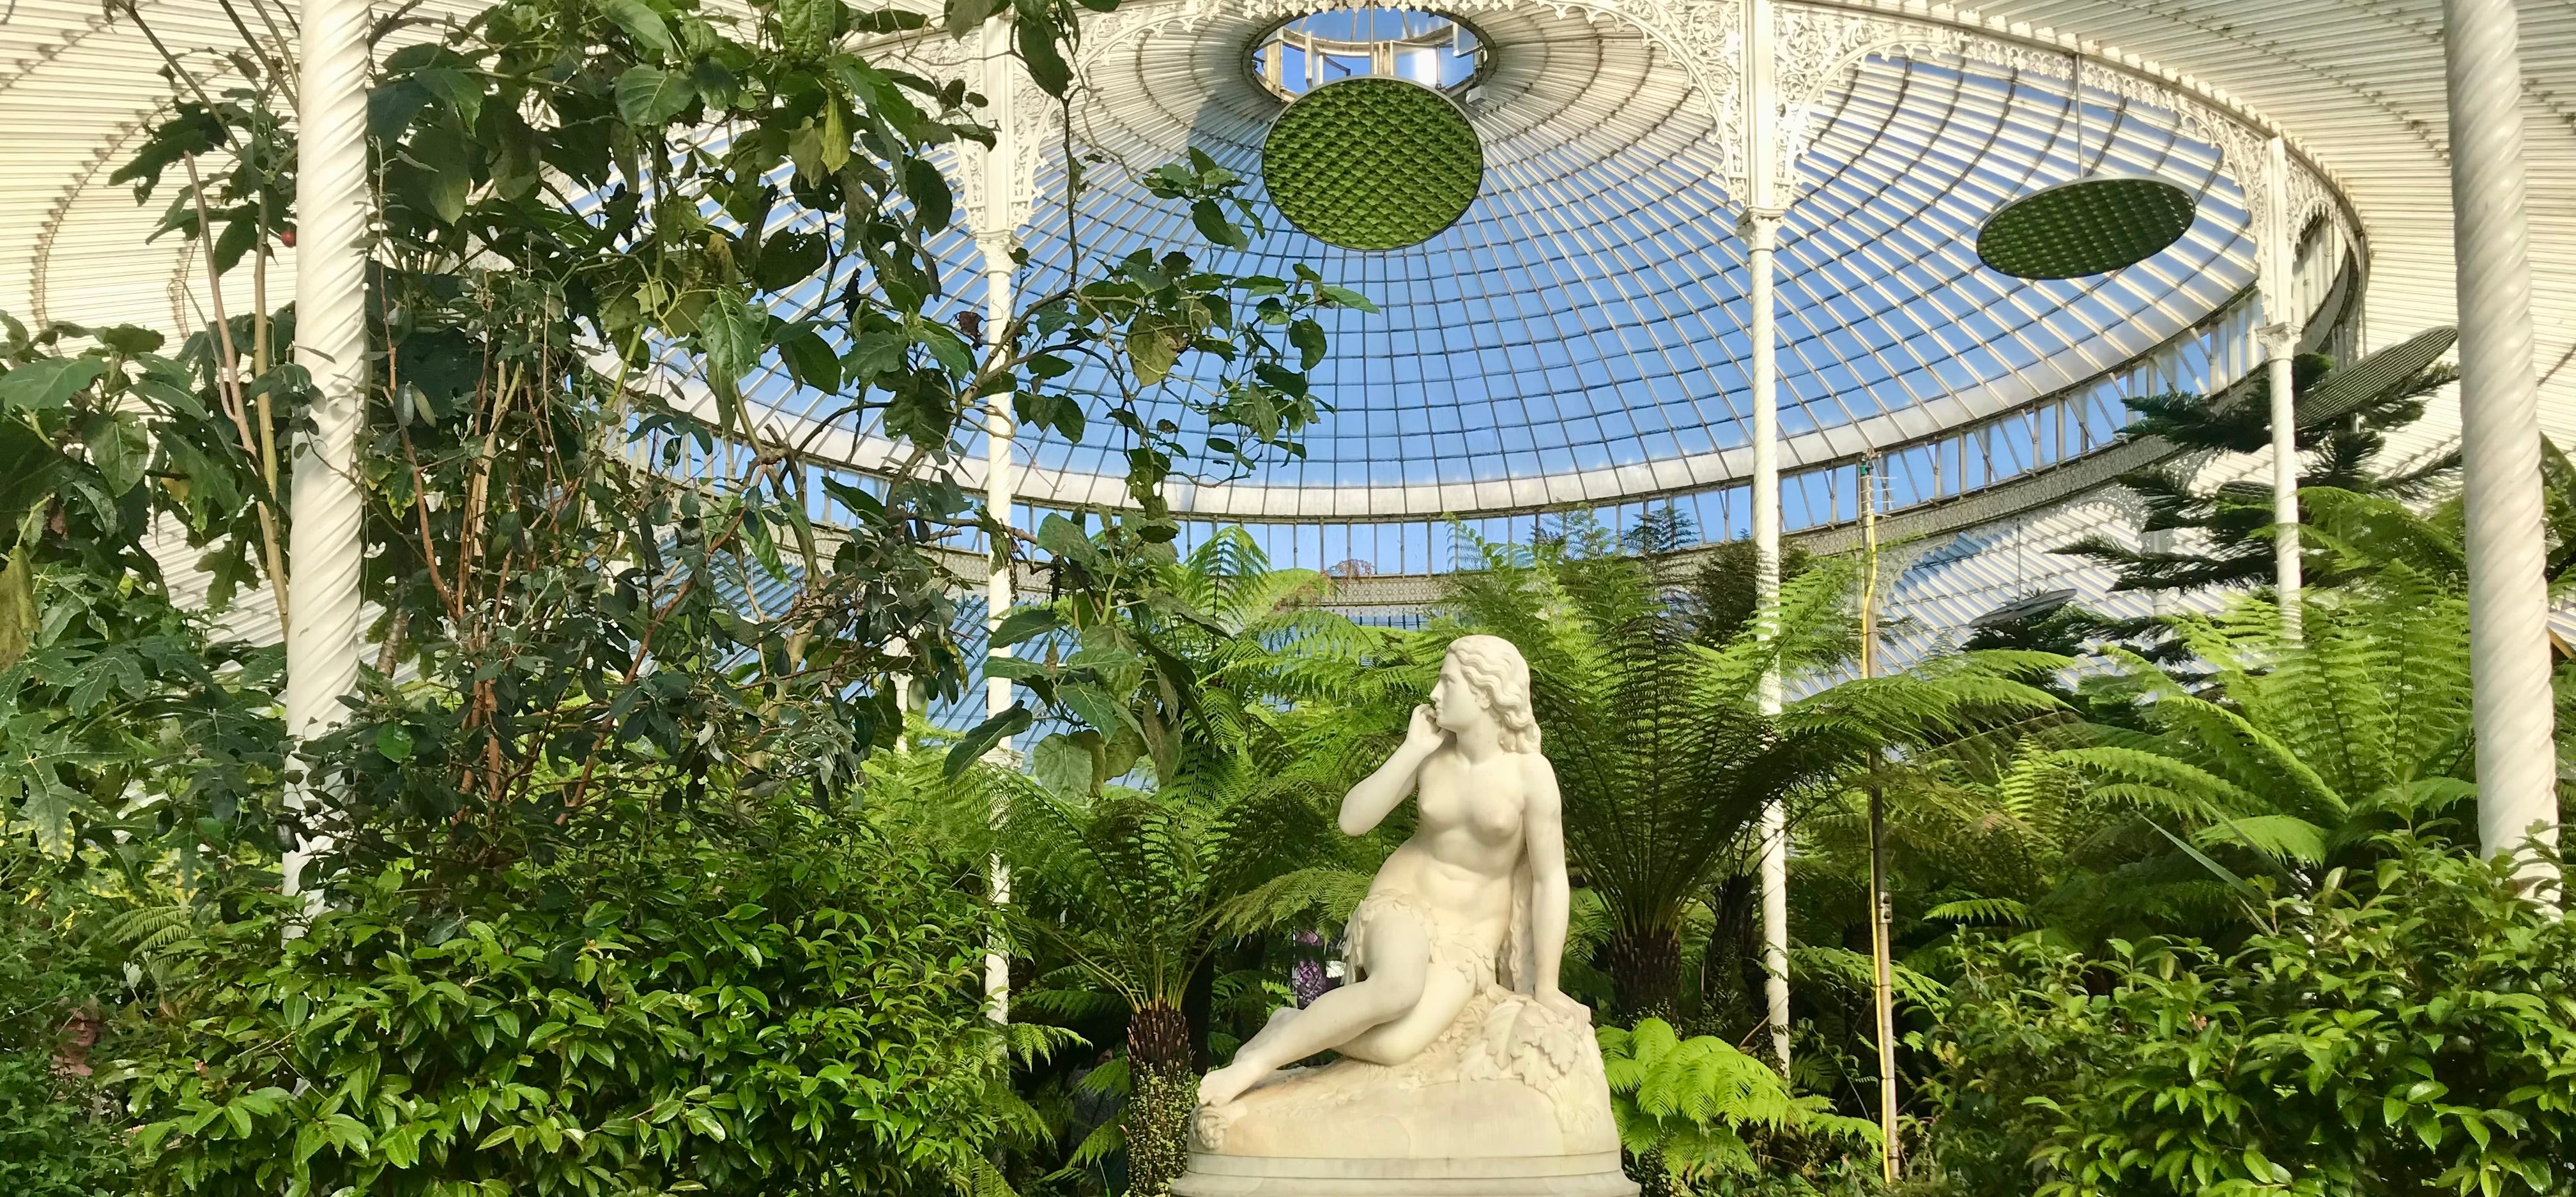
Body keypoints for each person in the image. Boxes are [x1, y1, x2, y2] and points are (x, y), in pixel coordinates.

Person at [1196, 634, 1583, 1111]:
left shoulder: (1532, 776)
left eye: (1447, 682)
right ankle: (1255, 1065)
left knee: (1398, 1046)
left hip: (1470, 937)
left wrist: (1547, 983)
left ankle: (1289, 1026)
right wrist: (1411, 749)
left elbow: (1549, 880)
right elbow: (1352, 821)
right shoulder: (1432, 759)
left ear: (1485, 694)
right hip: (1405, 901)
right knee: (1397, 987)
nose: (1435, 695)